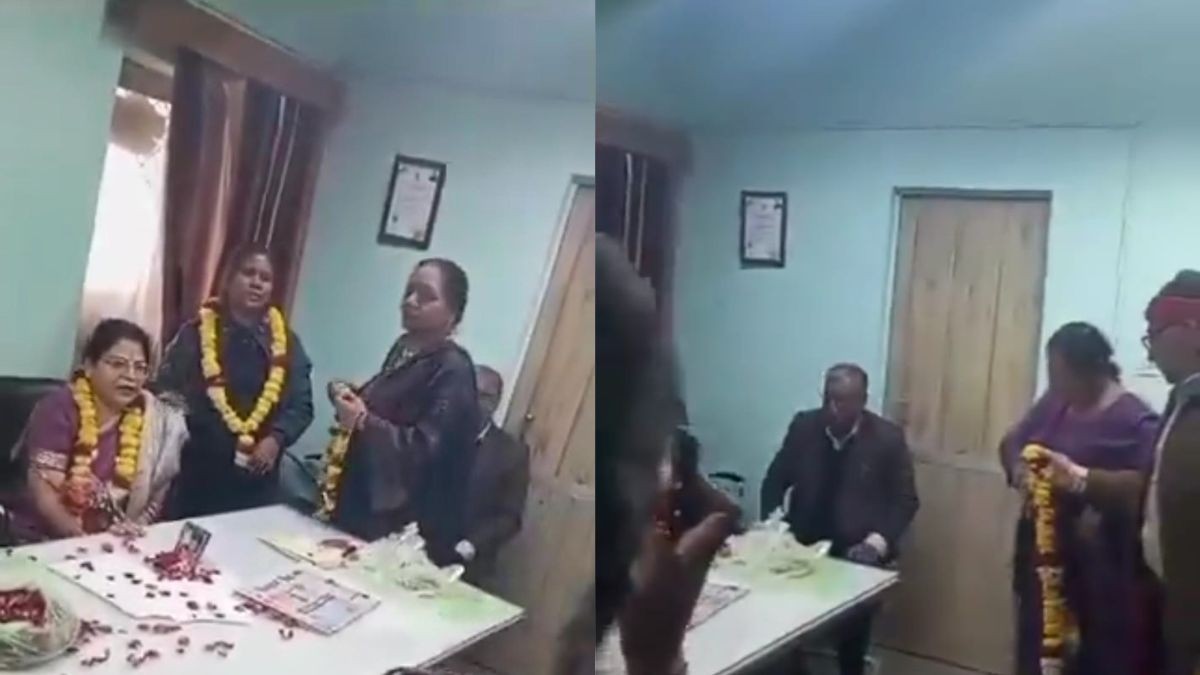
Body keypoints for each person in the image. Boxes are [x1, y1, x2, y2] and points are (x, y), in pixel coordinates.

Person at [1048, 272, 1200, 675]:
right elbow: (1155, 490)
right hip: (1169, 613)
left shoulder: (1144, 416)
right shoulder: (1182, 403)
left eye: (1155, 335)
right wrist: (1080, 479)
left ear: (1191, 328)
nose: (1150, 354)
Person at [999, 322, 1159, 675]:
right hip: (1044, 566)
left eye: (1061, 375)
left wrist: (1078, 479)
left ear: (1091, 371)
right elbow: (1013, 442)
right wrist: (1020, 471)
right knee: (1037, 656)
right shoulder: (1055, 404)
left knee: (1090, 660)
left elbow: (1147, 489)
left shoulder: (1136, 420)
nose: (1054, 385)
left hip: (1101, 576)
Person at [320, 258, 480, 567]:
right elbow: (391, 407)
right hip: (361, 502)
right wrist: (354, 395)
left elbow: (427, 449)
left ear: (452, 312)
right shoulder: (404, 349)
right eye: (409, 291)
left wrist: (363, 421)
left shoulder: (454, 368)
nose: (410, 301)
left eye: (426, 296)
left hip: (404, 527)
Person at [760, 364, 918, 675]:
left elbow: (905, 500)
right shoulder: (805, 427)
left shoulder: (886, 438)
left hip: (856, 549)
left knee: (852, 636)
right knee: (781, 625)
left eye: (844, 401)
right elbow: (775, 480)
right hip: (802, 544)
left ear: (863, 401)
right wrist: (774, 526)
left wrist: (876, 543)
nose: (834, 409)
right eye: (829, 399)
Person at [155, 245, 314, 517]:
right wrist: (197, 426)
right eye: (248, 273)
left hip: (257, 479)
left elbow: (302, 405)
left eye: (265, 278)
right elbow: (166, 391)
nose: (256, 283)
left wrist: (276, 439)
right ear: (228, 279)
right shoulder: (195, 333)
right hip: (197, 473)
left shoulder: (287, 343)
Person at [13, 319, 187, 542]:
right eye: (117, 364)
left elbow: (154, 502)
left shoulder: (156, 419)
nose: (130, 376)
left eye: (140, 368)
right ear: (89, 366)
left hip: (117, 540)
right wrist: (86, 541)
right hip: (42, 540)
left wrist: (131, 532)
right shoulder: (59, 408)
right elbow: (45, 493)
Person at [456, 365, 530, 584]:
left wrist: (472, 544)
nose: (476, 402)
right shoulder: (434, 432)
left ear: (496, 403)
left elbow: (510, 517)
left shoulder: (512, 453)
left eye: (485, 396)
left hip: (466, 558)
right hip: (412, 544)